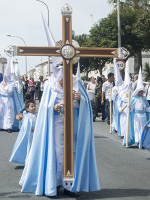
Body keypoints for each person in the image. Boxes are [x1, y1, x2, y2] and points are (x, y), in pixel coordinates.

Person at [19, 19, 99, 197]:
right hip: (55, 123)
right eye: (61, 63)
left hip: (74, 123)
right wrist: (53, 105)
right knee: (55, 151)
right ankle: (53, 183)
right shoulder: (50, 84)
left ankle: (70, 185)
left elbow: (86, 105)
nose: (64, 66)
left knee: (73, 151)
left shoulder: (77, 81)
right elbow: (45, 106)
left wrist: (80, 100)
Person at [123, 68, 150, 147]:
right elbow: (131, 108)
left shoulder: (144, 99)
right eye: (139, 91)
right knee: (137, 128)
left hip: (144, 115)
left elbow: (146, 108)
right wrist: (129, 107)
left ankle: (143, 141)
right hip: (137, 116)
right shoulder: (134, 98)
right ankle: (138, 141)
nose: (140, 92)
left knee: (143, 128)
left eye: (142, 91)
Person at [9, 100, 37, 164]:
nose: (34, 108)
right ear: (27, 108)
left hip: (36, 134)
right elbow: (25, 127)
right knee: (30, 147)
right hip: (30, 135)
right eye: (31, 106)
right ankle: (29, 161)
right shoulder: (27, 117)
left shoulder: (36, 115)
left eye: (34, 106)